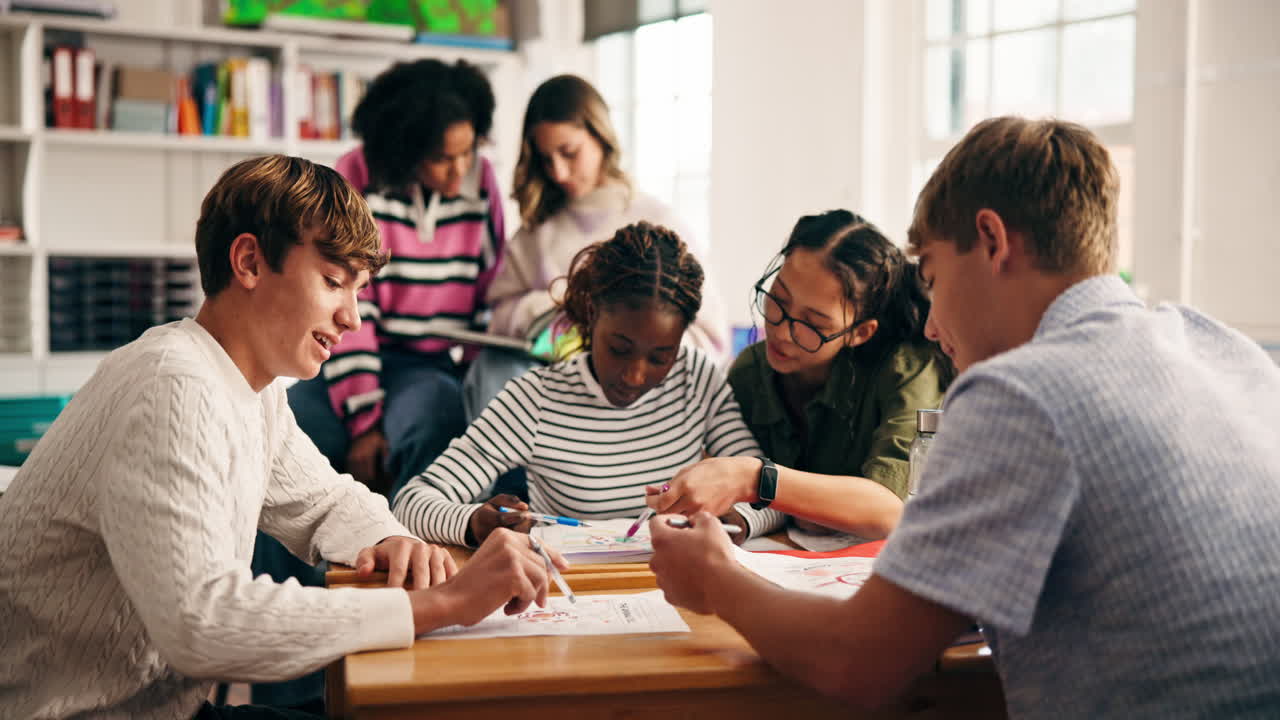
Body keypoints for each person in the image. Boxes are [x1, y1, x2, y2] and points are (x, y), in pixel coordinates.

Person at [646, 116, 1280, 718]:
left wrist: (717, 579)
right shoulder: (1225, 349)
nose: (928, 321)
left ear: (993, 241)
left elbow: (858, 661)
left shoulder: (1019, 392)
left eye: (932, 274)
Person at [0, 156, 561, 720]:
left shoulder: (248, 387)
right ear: (248, 261)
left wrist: (392, 539)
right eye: (335, 282)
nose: (353, 318)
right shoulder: (173, 387)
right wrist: (442, 604)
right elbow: (202, 624)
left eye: (358, 290)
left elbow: (323, 501)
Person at [395, 222, 781, 547]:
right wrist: (476, 523)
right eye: (619, 348)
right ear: (593, 316)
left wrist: (736, 521)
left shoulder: (696, 379)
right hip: (577, 596)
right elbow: (411, 504)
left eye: (660, 356)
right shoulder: (536, 400)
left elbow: (770, 493)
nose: (634, 376)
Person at [645, 210, 950, 541]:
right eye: (778, 300)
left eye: (814, 324)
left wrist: (755, 479)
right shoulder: (751, 372)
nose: (782, 332)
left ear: (860, 333)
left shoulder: (905, 370)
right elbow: (740, 496)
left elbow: (891, 509)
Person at [288, 58, 506, 499]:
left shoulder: (482, 182)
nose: (459, 168)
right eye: (443, 158)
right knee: (286, 433)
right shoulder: (357, 176)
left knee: (436, 416)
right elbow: (347, 304)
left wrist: (474, 375)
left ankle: (415, 556)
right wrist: (366, 419)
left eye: (468, 151)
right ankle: (280, 572)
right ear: (407, 151)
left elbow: (492, 289)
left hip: (428, 368)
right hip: (345, 352)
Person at [464, 74, 731, 426]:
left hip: (634, 392)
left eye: (569, 153)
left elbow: (710, 341)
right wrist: (549, 306)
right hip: (550, 386)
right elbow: (500, 317)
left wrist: (624, 343)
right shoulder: (536, 232)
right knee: (492, 369)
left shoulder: (658, 224)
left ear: (601, 136)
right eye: (546, 159)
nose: (558, 172)